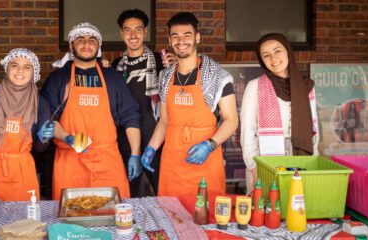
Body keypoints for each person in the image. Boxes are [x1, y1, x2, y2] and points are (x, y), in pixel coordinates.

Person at [140, 12, 238, 197]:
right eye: (175, 36)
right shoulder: (166, 77)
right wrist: (151, 147)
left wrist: (209, 146)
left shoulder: (217, 76)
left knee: (205, 216)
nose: (181, 41)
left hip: (205, 160)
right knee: (171, 215)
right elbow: (164, 121)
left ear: (197, 37)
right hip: (173, 162)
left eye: (187, 35)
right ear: (170, 40)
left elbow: (231, 120)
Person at [39, 22, 141, 200]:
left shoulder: (112, 77)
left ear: (98, 46)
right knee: (71, 219)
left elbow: (130, 115)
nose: (87, 44)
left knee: (114, 217)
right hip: (69, 162)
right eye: (80, 39)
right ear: (71, 45)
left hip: (107, 160)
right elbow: (49, 119)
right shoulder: (58, 78)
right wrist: (67, 138)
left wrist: (135, 153)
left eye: (92, 39)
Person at [0, 48, 54, 201]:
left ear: (34, 73)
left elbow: (40, 149)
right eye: (14, 65)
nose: (20, 70)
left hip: (22, 172)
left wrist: (44, 138)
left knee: (24, 222)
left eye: (27, 67)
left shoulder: (40, 103)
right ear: (7, 68)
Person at [240, 33, 319, 194]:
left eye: (277, 51)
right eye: (266, 55)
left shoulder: (306, 87)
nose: (273, 58)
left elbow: (314, 129)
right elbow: (247, 133)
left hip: (302, 161)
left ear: (288, 51)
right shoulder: (254, 87)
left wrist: (313, 161)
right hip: (264, 165)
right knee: (268, 213)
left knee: (299, 211)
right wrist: (254, 169)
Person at [111, 9, 175, 196]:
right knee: (130, 195)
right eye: (128, 30)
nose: (133, 35)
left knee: (164, 194)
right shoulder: (115, 66)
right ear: (121, 33)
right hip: (126, 140)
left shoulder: (161, 61)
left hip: (157, 138)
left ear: (145, 31)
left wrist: (176, 67)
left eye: (138, 29)